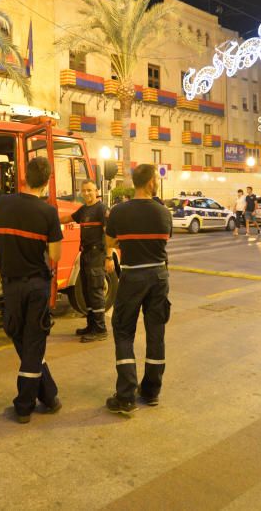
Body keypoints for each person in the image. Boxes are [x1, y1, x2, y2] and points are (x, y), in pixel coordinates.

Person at [0, 157, 63, 424]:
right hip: (36, 285)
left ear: (24, 177)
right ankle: (24, 406)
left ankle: (50, 395)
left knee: (21, 339)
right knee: (33, 343)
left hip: (10, 285)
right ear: (47, 180)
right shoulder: (48, 212)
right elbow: (55, 254)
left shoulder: (3, 203)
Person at [104, 164, 172, 416]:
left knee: (123, 331)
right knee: (156, 332)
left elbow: (109, 242)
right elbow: (165, 240)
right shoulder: (163, 212)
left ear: (134, 182)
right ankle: (151, 392)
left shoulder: (119, 212)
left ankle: (125, 395)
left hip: (132, 275)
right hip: (158, 275)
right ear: (152, 182)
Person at [60, 180, 109, 342]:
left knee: (95, 291)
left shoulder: (101, 209)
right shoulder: (84, 210)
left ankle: (101, 329)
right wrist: (48, 217)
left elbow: (109, 235)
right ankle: (91, 325)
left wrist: (109, 257)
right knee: (87, 291)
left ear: (96, 191)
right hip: (85, 254)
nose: (86, 193)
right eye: (84, 191)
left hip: (97, 255)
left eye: (89, 190)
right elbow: (67, 218)